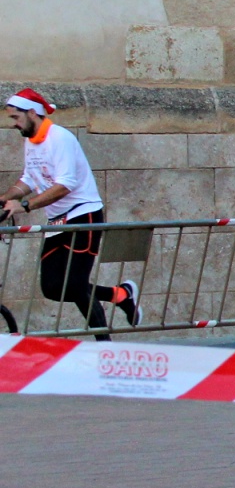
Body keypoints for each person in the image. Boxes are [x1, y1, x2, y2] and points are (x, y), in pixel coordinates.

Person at [0, 88, 136, 340]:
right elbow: (29, 178)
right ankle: (121, 294)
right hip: (58, 220)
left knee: (75, 284)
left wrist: (25, 206)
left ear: (32, 112)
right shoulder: (31, 141)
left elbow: (65, 184)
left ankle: (103, 346)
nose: (14, 124)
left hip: (84, 216)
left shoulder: (59, 138)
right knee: (52, 288)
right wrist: (7, 197)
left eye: (16, 117)